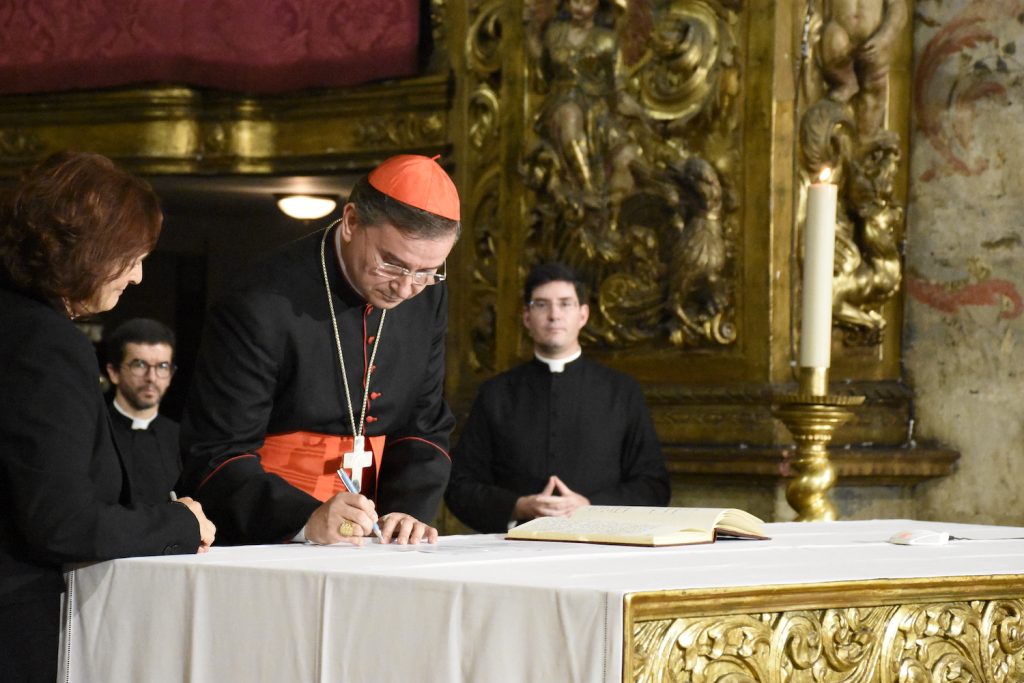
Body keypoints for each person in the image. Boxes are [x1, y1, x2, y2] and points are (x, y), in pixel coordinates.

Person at [0, 151, 216, 683]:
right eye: (132, 256)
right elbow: (61, 523)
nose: (139, 276)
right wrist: (180, 523)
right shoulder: (46, 344)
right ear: (88, 250)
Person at [178, 154, 461, 547]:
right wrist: (305, 518)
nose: (406, 287)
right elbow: (217, 454)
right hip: (266, 540)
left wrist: (407, 511)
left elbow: (424, 423)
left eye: (427, 272)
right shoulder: (260, 301)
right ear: (351, 222)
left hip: (372, 542)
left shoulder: (426, 296)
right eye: (392, 264)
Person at [445, 262, 671, 533]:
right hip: (515, 552)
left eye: (565, 304)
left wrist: (590, 507)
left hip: (602, 548)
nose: (554, 315)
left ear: (583, 315)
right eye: (541, 304)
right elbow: (459, 486)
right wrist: (519, 506)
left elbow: (654, 486)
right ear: (527, 317)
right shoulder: (496, 394)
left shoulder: (622, 391)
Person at [104, 318, 182, 504]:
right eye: (139, 365)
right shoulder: (92, 432)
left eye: (162, 366)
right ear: (114, 372)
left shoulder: (182, 440)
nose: (151, 377)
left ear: (171, 375)